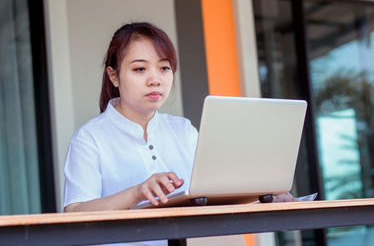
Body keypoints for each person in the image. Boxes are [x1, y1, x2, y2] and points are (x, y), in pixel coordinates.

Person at [63, 21, 296, 244]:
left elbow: (215, 196)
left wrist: (263, 197)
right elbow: (74, 214)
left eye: (164, 68)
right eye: (140, 69)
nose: (155, 80)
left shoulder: (183, 130)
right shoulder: (90, 138)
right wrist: (136, 192)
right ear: (114, 76)